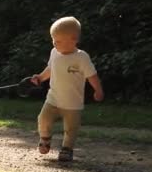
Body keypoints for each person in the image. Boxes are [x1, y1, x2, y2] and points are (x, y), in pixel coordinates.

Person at [31, 16, 104, 162]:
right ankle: (45, 138)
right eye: (53, 40)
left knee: (71, 128)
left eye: (57, 41)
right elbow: (50, 69)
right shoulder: (54, 52)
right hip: (53, 99)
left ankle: (67, 149)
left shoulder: (81, 57)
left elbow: (92, 76)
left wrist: (98, 90)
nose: (54, 43)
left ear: (73, 39)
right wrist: (39, 77)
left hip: (73, 103)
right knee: (43, 119)